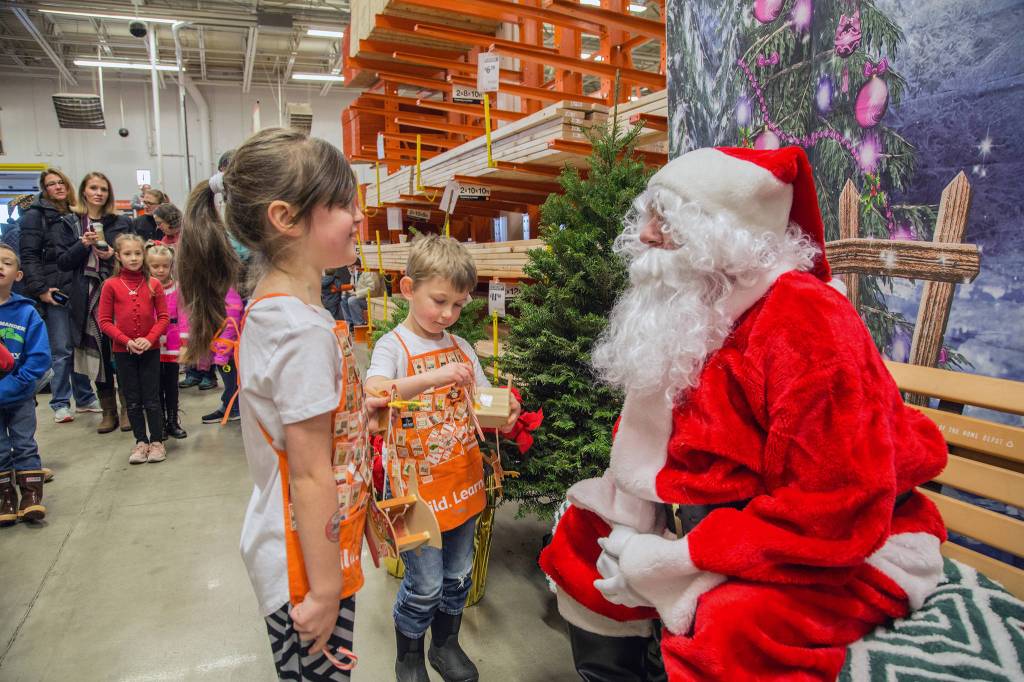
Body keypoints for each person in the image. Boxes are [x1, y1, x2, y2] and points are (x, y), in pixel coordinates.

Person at [538, 146, 948, 681]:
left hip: (834, 544)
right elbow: (650, 446)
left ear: (725, 231)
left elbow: (836, 507)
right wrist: (640, 529)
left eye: (668, 219)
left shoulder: (805, 319)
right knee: (581, 542)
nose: (646, 236)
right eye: (649, 216)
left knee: (733, 626)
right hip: (707, 515)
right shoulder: (690, 304)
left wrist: (683, 559)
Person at [179, 127, 387, 681]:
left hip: (305, 542)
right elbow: (311, 474)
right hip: (304, 563)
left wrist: (355, 415)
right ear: (285, 218)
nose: (358, 217)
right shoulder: (299, 331)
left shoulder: (282, 310)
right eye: (343, 203)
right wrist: (323, 591)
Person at [364, 235, 521, 682]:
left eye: (458, 305)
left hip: (463, 481)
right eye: (439, 301)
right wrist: (434, 376)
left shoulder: (462, 348)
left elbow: (484, 403)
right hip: (413, 493)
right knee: (425, 583)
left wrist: (505, 412)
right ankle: (409, 656)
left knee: (457, 574)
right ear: (408, 288)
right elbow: (377, 394)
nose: (448, 315)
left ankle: (446, 645)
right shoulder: (393, 347)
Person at [19, 168, 100, 423]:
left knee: (79, 344)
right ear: (45, 189)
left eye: (61, 182)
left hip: (80, 286)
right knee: (62, 348)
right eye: (51, 184)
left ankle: (85, 398)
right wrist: (41, 289)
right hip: (56, 290)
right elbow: (29, 257)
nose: (58, 187)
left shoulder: (77, 213)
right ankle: (61, 402)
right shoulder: (35, 215)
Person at [56, 172, 132, 434]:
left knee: (119, 351)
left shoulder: (119, 222)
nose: (99, 193)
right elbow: (63, 262)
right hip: (86, 297)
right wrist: (82, 245)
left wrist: (113, 255)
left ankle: (127, 409)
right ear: (84, 191)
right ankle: (107, 411)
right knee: (98, 354)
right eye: (93, 188)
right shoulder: (69, 223)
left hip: (117, 292)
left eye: (103, 189)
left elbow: (133, 255)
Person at [97, 233, 169, 464]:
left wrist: (149, 339)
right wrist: (126, 340)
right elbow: (104, 321)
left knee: (152, 397)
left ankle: (157, 441)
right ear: (118, 256)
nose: (134, 258)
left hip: (150, 348)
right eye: (128, 253)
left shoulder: (153, 283)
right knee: (132, 398)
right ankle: (141, 442)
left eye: (138, 253)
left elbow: (164, 317)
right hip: (123, 350)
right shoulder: (111, 285)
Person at [0, 244, 52, 526]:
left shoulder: (27, 313)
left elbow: (40, 357)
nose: (0, 266)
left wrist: (18, 384)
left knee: (23, 444)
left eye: (6, 262)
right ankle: (5, 497)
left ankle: (31, 497)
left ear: (18, 275)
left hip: (19, 394)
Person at [146, 242, 187, 440]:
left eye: (165, 266)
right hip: (151, 345)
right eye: (155, 266)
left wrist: (185, 343)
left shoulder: (178, 289)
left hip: (171, 345)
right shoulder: (144, 289)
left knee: (171, 385)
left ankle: (172, 421)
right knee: (154, 386)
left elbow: (185, 317)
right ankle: (159, 423)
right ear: (148, 266)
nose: (161, 270)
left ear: (171, 266)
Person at [201, 286, 243, 424]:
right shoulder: (213, 291)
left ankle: (233, 409)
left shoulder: (228, 293)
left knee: (232, 382)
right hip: (220, 348)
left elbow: (229, 325)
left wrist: (221, 355)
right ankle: (229, 406)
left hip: (228, 352)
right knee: (230, 381)